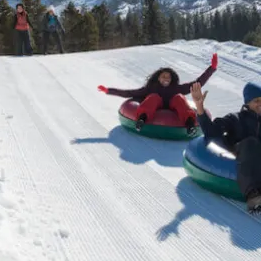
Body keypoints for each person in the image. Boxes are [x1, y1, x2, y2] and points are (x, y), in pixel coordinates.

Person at [97, 53, 218, 132]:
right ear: (158, 78)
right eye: (163, 76)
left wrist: (211, 68)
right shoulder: (151, 88)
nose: (166, 79)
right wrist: (109, 90)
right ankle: (142, 119)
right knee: (154, 97)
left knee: (179, 98)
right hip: (155, 106)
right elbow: (129, 93)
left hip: (173, 106)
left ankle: (190, 124)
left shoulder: (176, 88)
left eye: (168, 77)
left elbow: (198, 83)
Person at [191, 81, 261, 213]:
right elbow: (211, 132)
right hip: (242, 153)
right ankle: (254, 195)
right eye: (257, 100)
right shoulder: (235, 118)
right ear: (247, 102)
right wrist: (199, 107)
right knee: (251, 143)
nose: (260, 104)